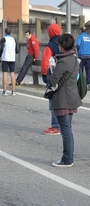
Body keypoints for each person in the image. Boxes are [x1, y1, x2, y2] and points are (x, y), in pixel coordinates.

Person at [47, 33, 82, 167]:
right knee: (68, 129)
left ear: (61, 46)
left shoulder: (62, 62)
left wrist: (50, 69)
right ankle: (68, 157)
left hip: (63, 100)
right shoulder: (74, 59)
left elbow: (52, 81)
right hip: (72, 97)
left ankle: (67, 159)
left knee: (66, 131)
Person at [41, 24, 61, 136]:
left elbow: (45, 64)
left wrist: (45, 77)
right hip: (63, 77)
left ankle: (55, 126)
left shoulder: (50, 46)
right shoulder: (63, 44)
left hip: (52, 77)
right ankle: (59, 124)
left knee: (52, 101)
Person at [0, 28, 19, 96]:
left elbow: (1, 48)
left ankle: (5, 91)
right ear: (11, 32)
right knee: (12, 75)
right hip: (12, 59)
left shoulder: (3, 39)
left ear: (5, 32)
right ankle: (13, 91)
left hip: (5, 58)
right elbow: (17, 50)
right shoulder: (14, 39)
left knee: (5, 74)